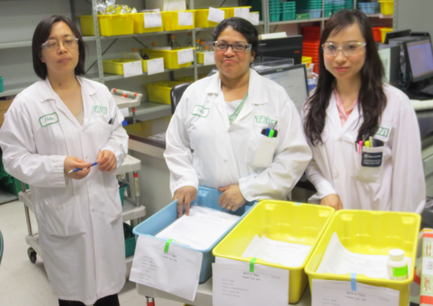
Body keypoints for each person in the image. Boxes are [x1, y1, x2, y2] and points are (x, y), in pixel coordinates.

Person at [0, 15, 128, 305]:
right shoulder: (27, 103)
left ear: (79, 48)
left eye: (69, 41)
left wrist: (113, 152)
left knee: (109, 295)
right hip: (64, 217)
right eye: (52, 43)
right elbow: (13, 158)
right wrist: (58, 167)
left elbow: (117, 133)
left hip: (103, 211)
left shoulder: (100, 93)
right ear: (40, 54)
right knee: (73, 296)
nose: (62, 49)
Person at [164, 17, 312, 217]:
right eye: (222, 45)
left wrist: (248, 189)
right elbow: (176, 144)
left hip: (260, 206)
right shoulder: (194, 94)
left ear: (252, 54)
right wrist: (185, 181)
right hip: (205, 207)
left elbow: (294, 155)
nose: (229, 52)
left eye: (239, 46)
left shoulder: (275, 96)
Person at [302, 9, 425, 213]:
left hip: (380, 225)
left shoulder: (395, 104)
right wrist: (325, 190)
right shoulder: (312, 106)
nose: (340, 58)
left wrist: (400, 233)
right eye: (331, 47)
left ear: (368, 49)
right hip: (333, 221)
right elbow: (309, 160)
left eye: (351, 47)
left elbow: (409, 179)